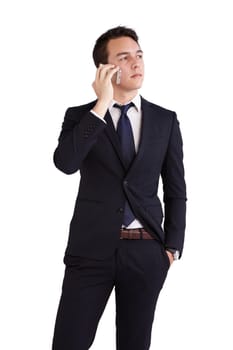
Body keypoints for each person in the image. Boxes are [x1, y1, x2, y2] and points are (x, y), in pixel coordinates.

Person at [52, 26, 187, 350]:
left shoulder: (164, 120)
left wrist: (172, 248)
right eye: (124, 57)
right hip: (90, 251)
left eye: (139, 55)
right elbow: (65, 163)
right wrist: (101, 105)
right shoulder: (81, 117)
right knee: (69, 343)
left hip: (146, 252)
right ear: (105, 68)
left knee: (134, 344)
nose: (136, 63)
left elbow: (176, 188)